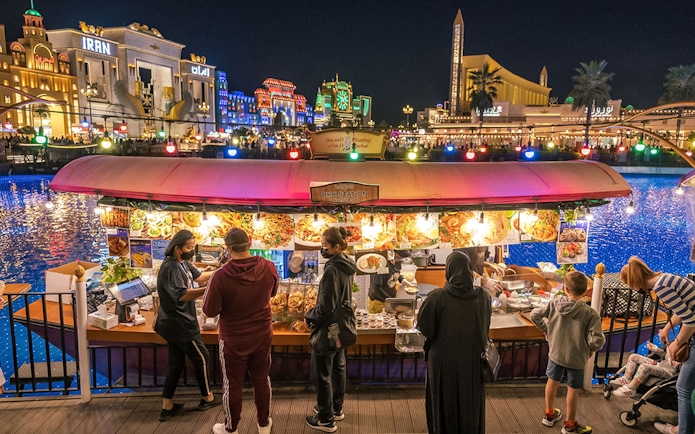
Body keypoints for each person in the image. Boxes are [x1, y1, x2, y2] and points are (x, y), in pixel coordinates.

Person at [203, 228, 279, 434]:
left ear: (227, 249)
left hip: (233, 338)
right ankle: (264, 424)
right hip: (262, 333)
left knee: (232, 384)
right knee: (262, 379)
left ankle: (231, 428)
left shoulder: (220, 276)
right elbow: (273, 292)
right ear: (250, 241)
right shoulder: (269, 267)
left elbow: (209, 310)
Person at [417, 251, 491, 434]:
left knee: (443, 402)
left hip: (442, 363)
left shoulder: (436, 298)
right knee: (470, 403)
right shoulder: (483, 297)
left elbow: (426, 329)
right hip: (472, 362)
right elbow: (485, 326)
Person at [621, 256, 695, 434]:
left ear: (635, 282)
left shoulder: (661, 288)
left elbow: (691, 321)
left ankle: (683, 431)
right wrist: (667, 329)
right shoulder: (666, 278)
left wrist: (676, 344)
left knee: (683, 387)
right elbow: (686, 311)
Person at [154, 229, 220, 422]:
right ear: (177, 248)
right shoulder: (171, 267)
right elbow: (182, 294)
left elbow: (199, 276)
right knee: (202, 357)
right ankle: (207, 397)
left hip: (174, 323)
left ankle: (167, 405)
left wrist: (221, 271)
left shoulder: (183, 263)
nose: (192, 250)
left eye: (193, 247)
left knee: (177, 363)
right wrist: (207, 291)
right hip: (180, 324)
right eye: (188, 247)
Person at [531, 271, 604, 434]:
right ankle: (570, 425)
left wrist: (546, 329)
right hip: (576, 357)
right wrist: (591, 349)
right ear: (586, 291)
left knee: (552, 382)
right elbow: (598, 340)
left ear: (565, 289)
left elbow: (534, 315)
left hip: (555, 353)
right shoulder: (590, 313)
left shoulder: (554, 303)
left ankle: (549, 414)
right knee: (572, 389)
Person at [305, 227, 356, 432]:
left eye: (325, 246)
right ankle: (336, 408)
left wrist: (309, 316)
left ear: (336, 246)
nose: (322, 249)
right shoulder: (347, 265)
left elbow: (325, 306)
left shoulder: (332, 270)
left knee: (322, 373)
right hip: (342, 326)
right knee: (338, 367)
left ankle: (326, 419)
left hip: (329, 328)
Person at [609, 341, 678, 397]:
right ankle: (627, 378)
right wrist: (655, 349)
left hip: (669, 371)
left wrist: (678, 363)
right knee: (633, 357)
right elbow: (664, 355)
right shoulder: (675, 343)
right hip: (659, 364)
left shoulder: (684, 350)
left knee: (644, 366)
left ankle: (632, 388)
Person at [367, 249, 411, 313]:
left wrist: (402, 280)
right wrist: (390, 300)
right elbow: (376, 288)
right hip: (378, 302)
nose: (399, 259)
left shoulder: (397, 261)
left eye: (401, 258)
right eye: (399, 257)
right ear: (392, 252)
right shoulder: (382, 263)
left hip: (390, 298)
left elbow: (395, 272)